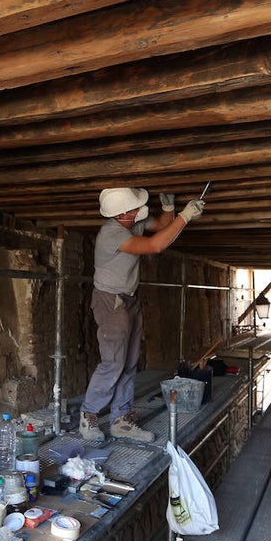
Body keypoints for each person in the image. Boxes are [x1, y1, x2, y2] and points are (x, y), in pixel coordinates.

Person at [79, 188, 205, 443]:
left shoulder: (131, 222)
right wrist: (185, 216)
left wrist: (170, 211)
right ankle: (88, 415)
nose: (140, 209)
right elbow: (155, 245)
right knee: (113, 362)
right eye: (135, 207)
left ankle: (121, 420)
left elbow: (160, 226)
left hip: (128, 298)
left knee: (129, 361)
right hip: (110, 301)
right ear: (123, 213)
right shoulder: (111, 233)